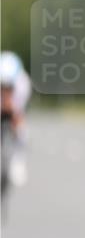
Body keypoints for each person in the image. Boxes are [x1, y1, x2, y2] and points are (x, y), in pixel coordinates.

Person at [1, 51, 32, 194]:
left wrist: (12, 111)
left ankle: (18, 159)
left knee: (19, 125)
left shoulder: (22, 84)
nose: (6, 90)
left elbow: (17, 112)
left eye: (8, 87)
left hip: (16, 104)